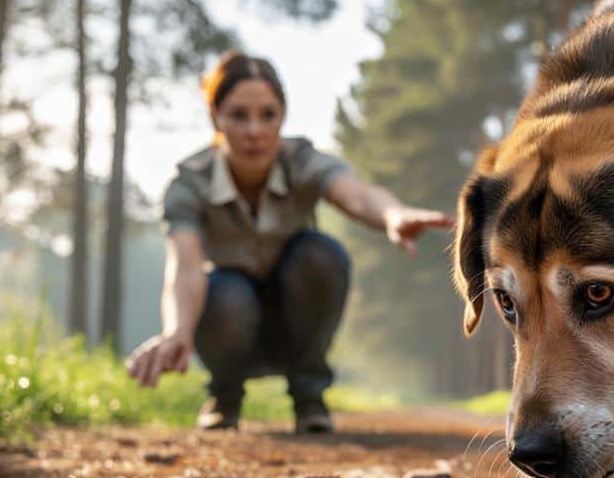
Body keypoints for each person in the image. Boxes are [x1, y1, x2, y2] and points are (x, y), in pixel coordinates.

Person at [126, 51, 452, 433]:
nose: (254, 130)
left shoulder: (302, 160)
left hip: (296, 322)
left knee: (321, 254)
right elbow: (184, 267)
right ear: (216, 117)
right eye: (238, 115)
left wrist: (392, 215)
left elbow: (357, 195)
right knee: (225, 290)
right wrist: (177, 332)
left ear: (283, 116)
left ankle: (309, 395)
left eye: (268, 114)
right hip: (229, 323)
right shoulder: (189, 183)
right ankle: (225, 396)